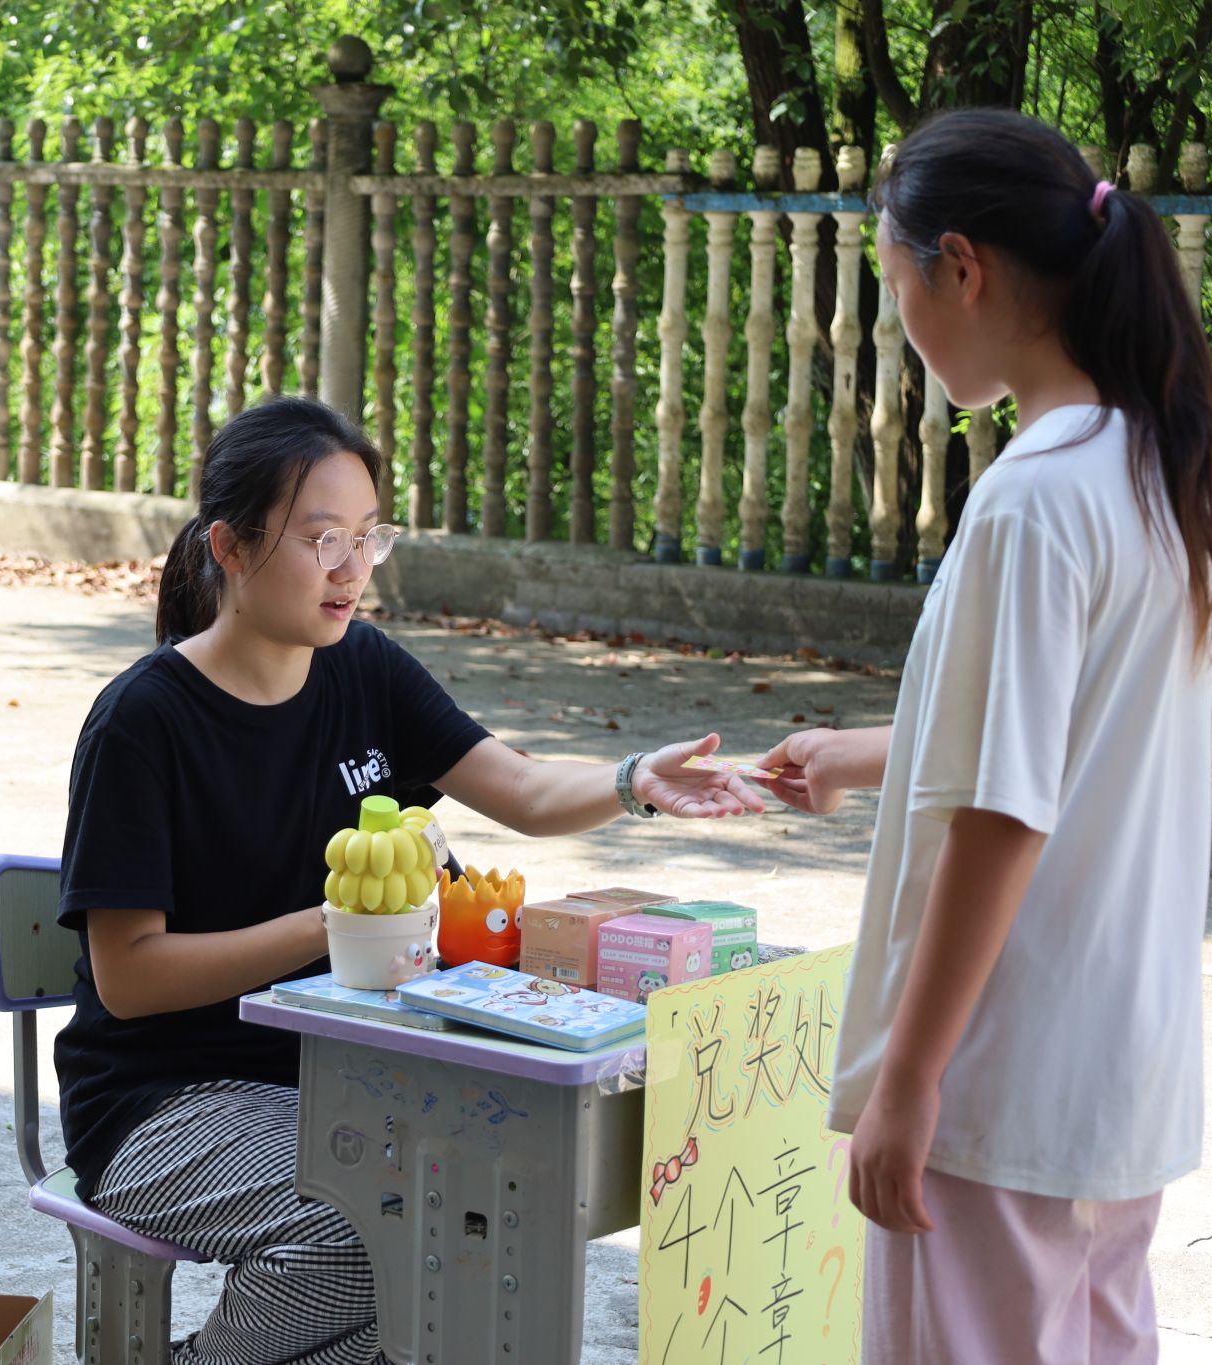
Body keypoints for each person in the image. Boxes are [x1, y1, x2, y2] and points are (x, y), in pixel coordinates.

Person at [54, 394, 765, 1365]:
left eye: (365, 537)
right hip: (162, 1101)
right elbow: (129, 978)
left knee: (477, 1223)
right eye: (320, 540)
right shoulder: (143, 722)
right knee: (365, 1239)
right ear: (227, 546)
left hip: (342, 1076)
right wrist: (335, 923)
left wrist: (629, 780)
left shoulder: (363, 671)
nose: (350, 570)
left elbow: (514, 784)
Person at [753, 109, 1212, 1365]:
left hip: (999, 1071)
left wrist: (908, 1079)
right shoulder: (1152, 470)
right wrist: (867, 751)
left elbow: (1005, 813)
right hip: (1113, 1070)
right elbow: (1075, 739)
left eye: (893, 279)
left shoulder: (1030, 499)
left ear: (958, 267)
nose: (898, 317)